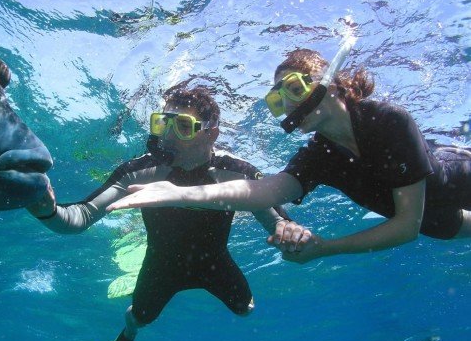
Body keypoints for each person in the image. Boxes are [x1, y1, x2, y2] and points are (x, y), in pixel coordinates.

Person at [27, 80, 311, 341]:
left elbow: (276, 220)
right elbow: (78, 219)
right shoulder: (141, 170)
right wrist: (45, 208)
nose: (169, 136)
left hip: (214, 263)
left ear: (211, 134)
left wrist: (288, 233)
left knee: (246, 308)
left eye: (184, 127)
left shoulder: (236, 172)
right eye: (162, 123)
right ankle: (126, 336)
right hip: (162, 265)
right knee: (139, 319)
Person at [107, 46, 471, 263]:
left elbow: (405, 227)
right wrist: (183, 194)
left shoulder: (386, 120)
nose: (289, 104)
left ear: (332, 83)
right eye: (278, 99)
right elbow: (263, 191)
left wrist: (325, 249)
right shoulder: (318, 156)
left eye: (294, 88)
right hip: (434, 223)